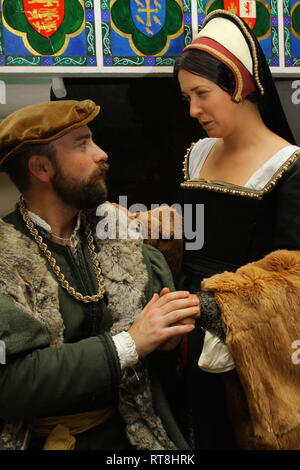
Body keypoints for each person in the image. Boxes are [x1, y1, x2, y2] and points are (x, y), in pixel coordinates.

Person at [0, 99, 200, 450]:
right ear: (41, 167)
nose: (101, 153)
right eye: (82, 144)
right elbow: (11, 384)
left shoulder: (124, 242)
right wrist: (130, 343)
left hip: (131, 438)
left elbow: (163, 364)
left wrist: (169, 342)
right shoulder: (4, 260)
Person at [170, 9, 300, 450]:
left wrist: (214, 309)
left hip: (252, 346)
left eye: (202, 93)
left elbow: (292, 281)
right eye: (187, 96)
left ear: (240, 83)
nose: (193, 110)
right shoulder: (198, 154)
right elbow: (192, 236)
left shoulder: (288, 167)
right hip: (184, 332)